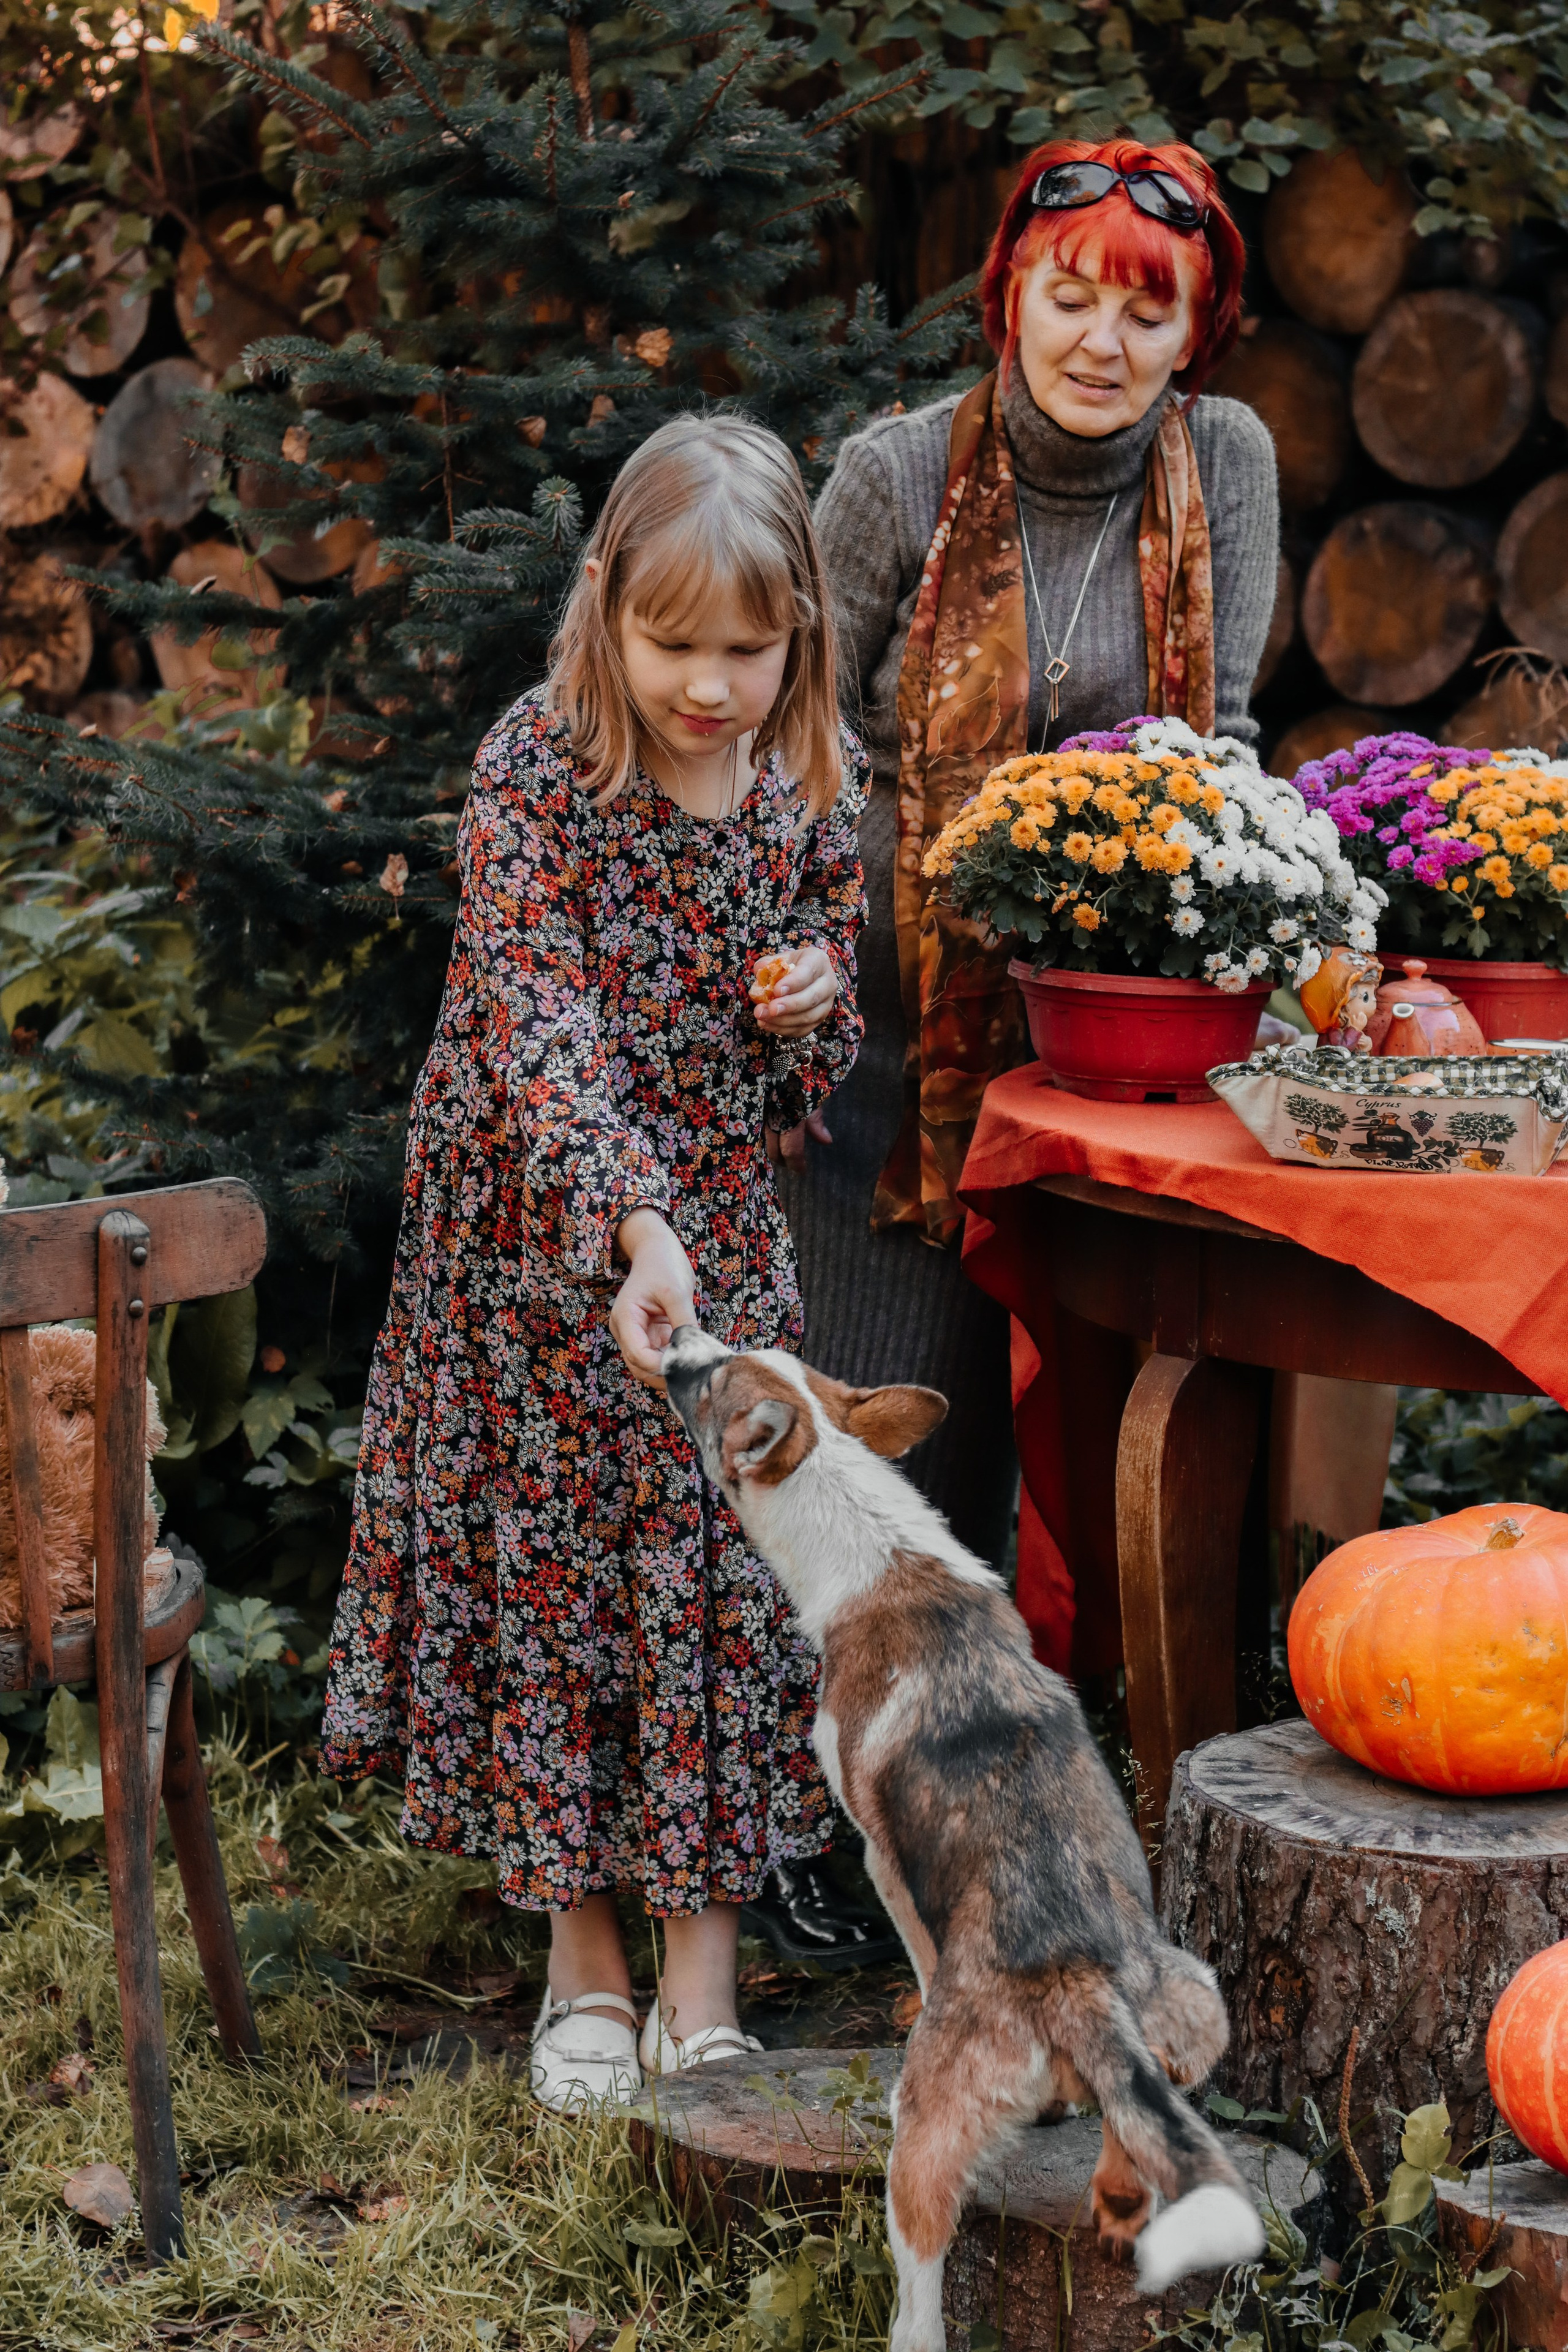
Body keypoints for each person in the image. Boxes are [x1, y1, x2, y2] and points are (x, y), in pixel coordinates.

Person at [318, 413, 870, 2110]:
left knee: (715, 1572)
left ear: (802, 640)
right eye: (674, 642)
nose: (710, 686)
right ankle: (583, 1958)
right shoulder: (535, 770)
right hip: (539, 1241)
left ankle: (705, 1966)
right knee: (554, 1569)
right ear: (604, 609)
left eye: (749, 649)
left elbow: (826, 983)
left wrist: (810, 1006)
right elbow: (537, 1025)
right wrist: (631, 1223)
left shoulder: (799, 779)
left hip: (722, 1229)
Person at [778, 138, 1279, 1724]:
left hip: (1115, 1060)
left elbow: (1230, 740)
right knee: (896, 1451)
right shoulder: (896, 478)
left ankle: (1065, 1780)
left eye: (1148, 314)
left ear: (1194, 330)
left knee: (1092, 1434)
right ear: (1010, 294)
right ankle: (817, 1830)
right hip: (886, 1061)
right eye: (1071, 300)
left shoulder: (1232, 470)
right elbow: (789, 747)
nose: (1101, 345)